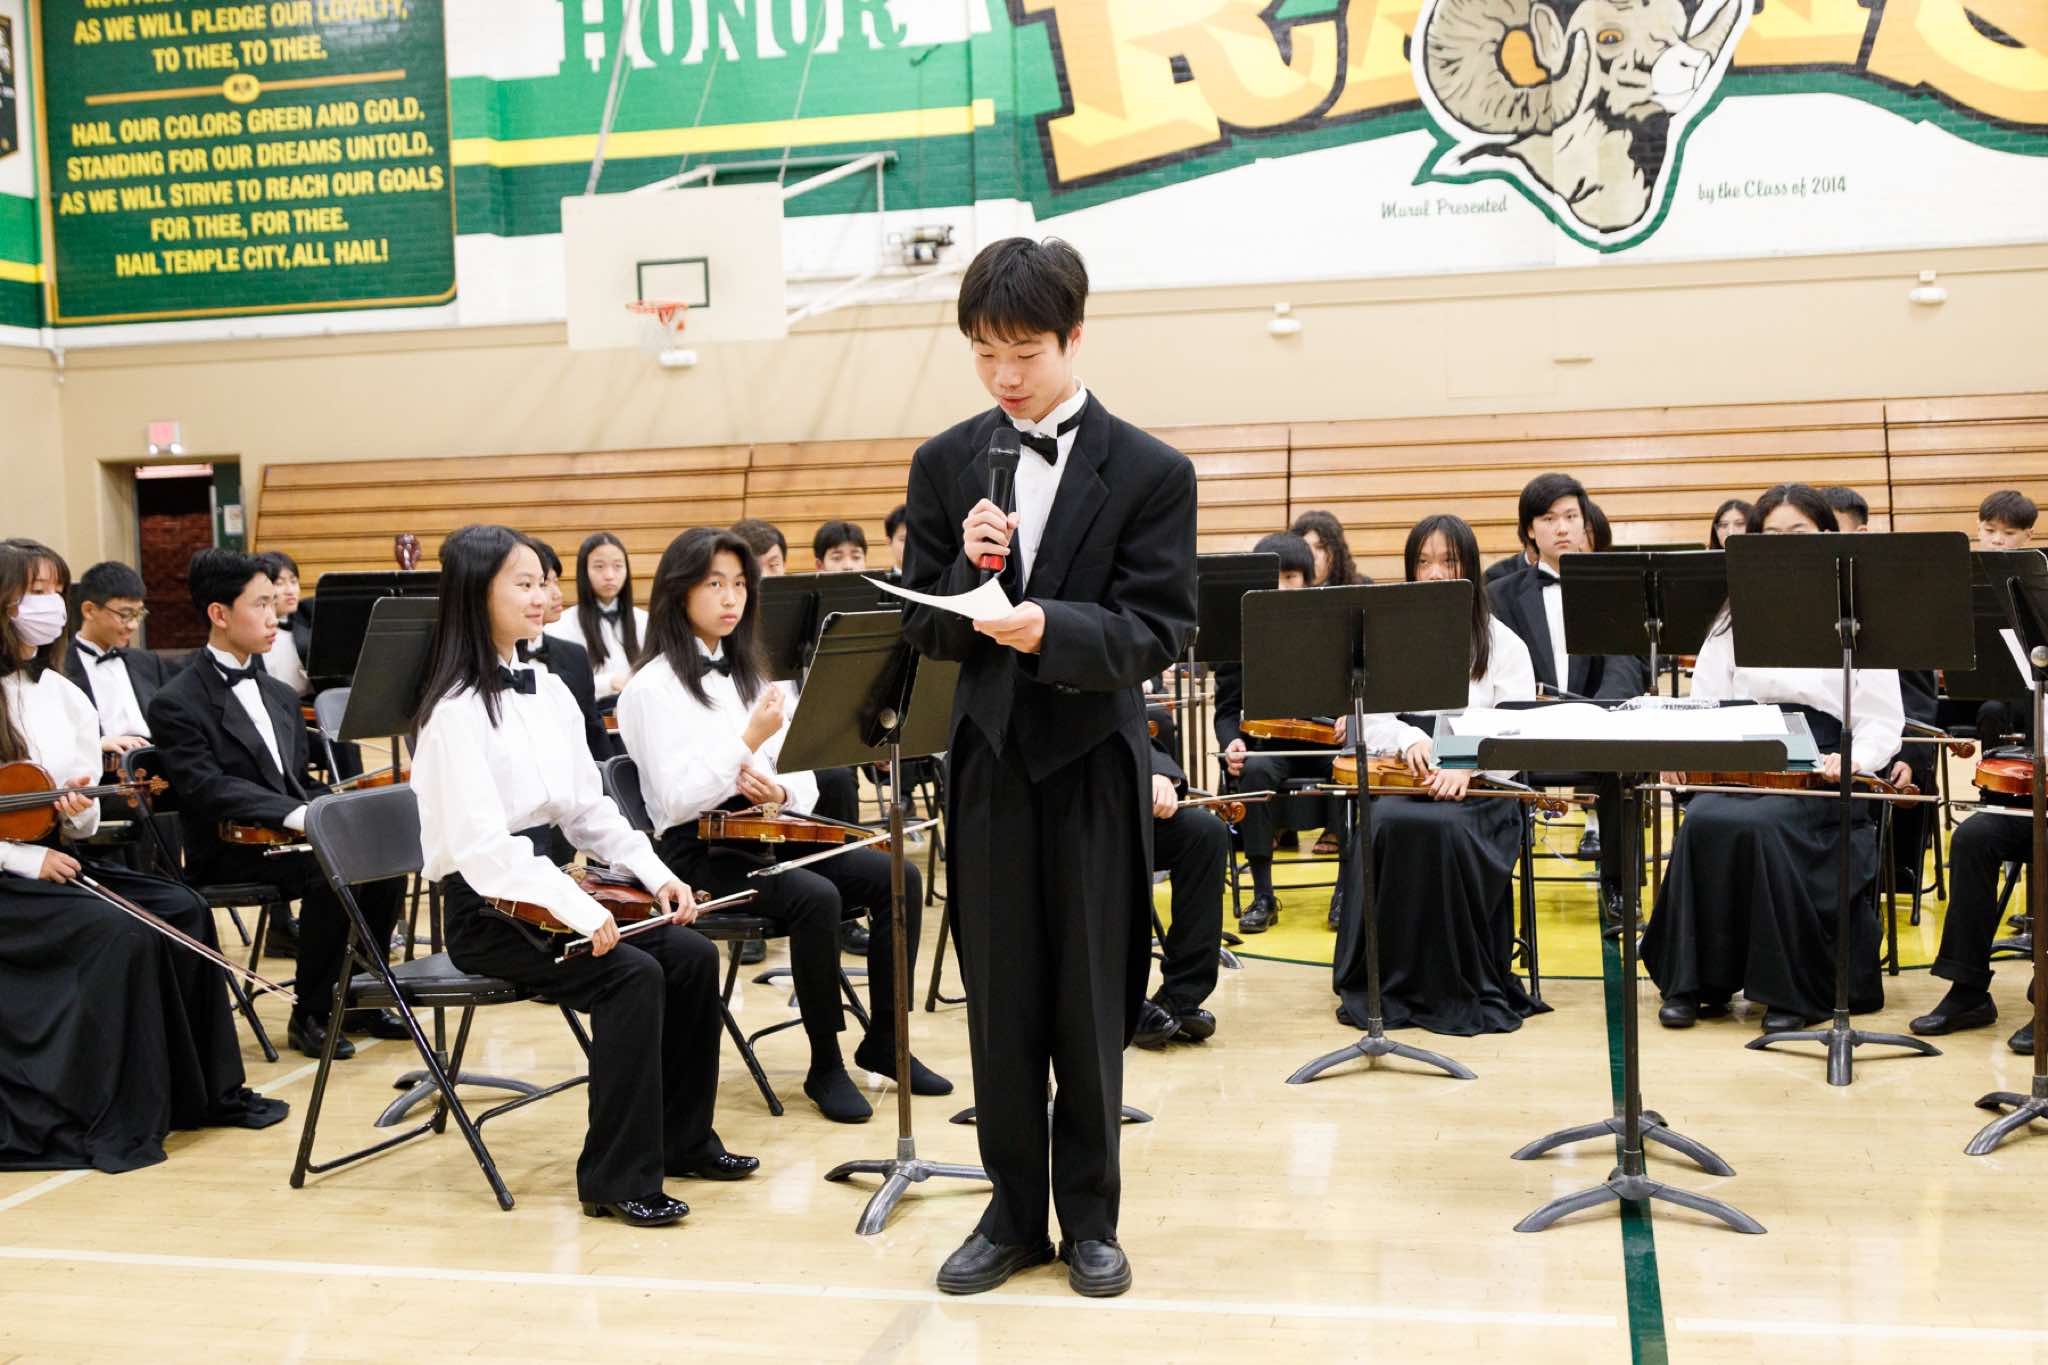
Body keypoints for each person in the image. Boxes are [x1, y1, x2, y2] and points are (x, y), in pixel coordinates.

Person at [901, 236, 1197, 1299]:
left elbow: (1160, 627)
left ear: (1073, 337)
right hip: (987, 765)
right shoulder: (945, 464)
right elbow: (926, 629)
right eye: (984, 354)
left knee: (1090, 997)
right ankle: (1011, 1215)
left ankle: (1093, 1219)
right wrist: (963, 567)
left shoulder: (1152, 470)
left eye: (1023, 352)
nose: (1004, 376)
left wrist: (1046, 628)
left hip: (1090, 767)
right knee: (1000, 1003)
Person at [411, 524, 750, 1228]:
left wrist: (655, 874)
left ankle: (685, 1140)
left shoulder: (549, 689)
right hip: (488, 908)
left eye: (543, 582)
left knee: (691, 954)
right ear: (477, 593)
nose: (542, 597)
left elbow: (587, 809)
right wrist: (577, 907)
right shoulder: (452, 712)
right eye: (524, 584)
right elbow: (483, 851)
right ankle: (614, 1179)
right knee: (632, 975)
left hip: (551, 888)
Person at [618, 527, 949, 1123]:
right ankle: (826, 1063)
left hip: (771, 832)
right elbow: (674, 800)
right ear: (678, 591)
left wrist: (782, 789)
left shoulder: (751, 672)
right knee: (815, 896)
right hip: (699, 853)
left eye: (739, 585)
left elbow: (805, 774)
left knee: (897, 876)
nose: (730, 598)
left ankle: (887, 1041)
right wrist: (747, 741)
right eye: (714, 584)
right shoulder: (650, 688)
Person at [0, 543, 288, 1172]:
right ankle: (117, 1108)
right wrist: (23, 862)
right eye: (35, 592)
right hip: (11, 877)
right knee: (119, 931)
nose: (50, 605)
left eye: (56, 591)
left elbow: (80, 823)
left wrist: (76, 810)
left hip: (56, 856)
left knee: (181, 907)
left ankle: (201, 1093)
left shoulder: (64, 696)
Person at [1642, 484, 1912, 1032]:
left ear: (1827, 536)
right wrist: (1681, 749)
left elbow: (1884, 719)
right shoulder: (1735, 612)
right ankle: (1699, 983)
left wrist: (1853, 760)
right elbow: (1707, 700)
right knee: (1703, 818)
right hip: (1750, 748)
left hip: (1826, 761)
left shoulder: (1857, 613)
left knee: (1766, 824)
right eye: (1771, 535)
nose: (1785, 544)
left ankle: (1794, 990)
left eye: (1799, 533)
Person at [148, 548, 409, 1060]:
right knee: (329, 869)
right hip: (230, 848)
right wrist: (296, 814)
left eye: (274, 603)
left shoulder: (280, 693)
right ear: (219, 614)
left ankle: (357, 998)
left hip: (290, 837)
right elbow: (206, 787)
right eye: (261, 604)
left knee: (382, 860)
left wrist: (340, 807)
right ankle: (311, 1012)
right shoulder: (176, 700)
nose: (275, 617)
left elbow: (293, 780)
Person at [1338, 515, 1547, 1036]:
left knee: (1443, 829)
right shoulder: (1391, 637)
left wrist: (1465, 762)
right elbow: (1371, 716)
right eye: (1424, 562)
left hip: (1483, 792)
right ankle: (1387, 982)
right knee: (1385, 822)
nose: (1434, 573)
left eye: (1448, 562)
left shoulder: (1504, 644)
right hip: (1411, 780)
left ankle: (1456, 981)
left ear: (1469, 568)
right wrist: (1410, 740)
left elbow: (1515, 729)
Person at [1488, 472, 1647, 860]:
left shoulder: (1612, 589)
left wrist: (1598, 717)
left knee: (1627, 758)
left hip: (1596, 732)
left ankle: (1618, 880)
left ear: (1584, 523)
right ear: (1530, 529)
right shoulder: (1499, 595)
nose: (1562, 528)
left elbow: (1625, 666)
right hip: (1525, 733)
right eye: (1548, 519)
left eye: (1571, 517)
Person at [1213, 530, 1340, 932]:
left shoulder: (1333, 630)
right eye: (1274, 579)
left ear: (1307, 581)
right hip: (1270, 747)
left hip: (1325, 746)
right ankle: (1263, 894)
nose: (1283, 587)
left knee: (1353, 772)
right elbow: (1227, 709)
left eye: (1291, 577)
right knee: (1253, 770)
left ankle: (1346, 892)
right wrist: (1232, 740)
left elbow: (1356, 695)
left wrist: (1349, 720)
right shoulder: (1241, 637)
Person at [1132, 716, 1228, 1050]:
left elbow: (1127, 721)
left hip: (1115, 802)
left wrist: (1155, 771)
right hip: (1064, 810)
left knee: (1205, 832)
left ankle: (1180, 994)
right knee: (1109, 848)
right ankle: (1122, 1001)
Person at [64, 560, 168, 760]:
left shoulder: (148, 662)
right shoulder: (59, 668)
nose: (133, 625)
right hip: (99, 768)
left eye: (138, 614)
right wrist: (99, 743)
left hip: (154, 764)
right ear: (89, 610)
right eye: (125, 614)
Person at [521, 538, 609, 763]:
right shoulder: (499, 659)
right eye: (543, 584)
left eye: (555, 582)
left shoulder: (575, 655)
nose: (557, 594)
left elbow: (593, 734)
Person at [545, 532, 646, 701]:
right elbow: (558, 682)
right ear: (584, 571)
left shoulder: (645, 621)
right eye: (599, 566)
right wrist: (608, 683)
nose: (609, 575)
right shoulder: (561, 624)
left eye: (618, 566)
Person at [1290, 510, 1363, 587]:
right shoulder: (1285, 587)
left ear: (1336, 553)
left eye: (1320, 547)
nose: (1312, 554)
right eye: (1305, 546)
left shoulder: (1360, 587)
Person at [883, 503, 910, 581]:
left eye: (916, 540)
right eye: (903, 539)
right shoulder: (881, 584)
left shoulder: (937, 583)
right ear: (889, 542)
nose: (910, 546)